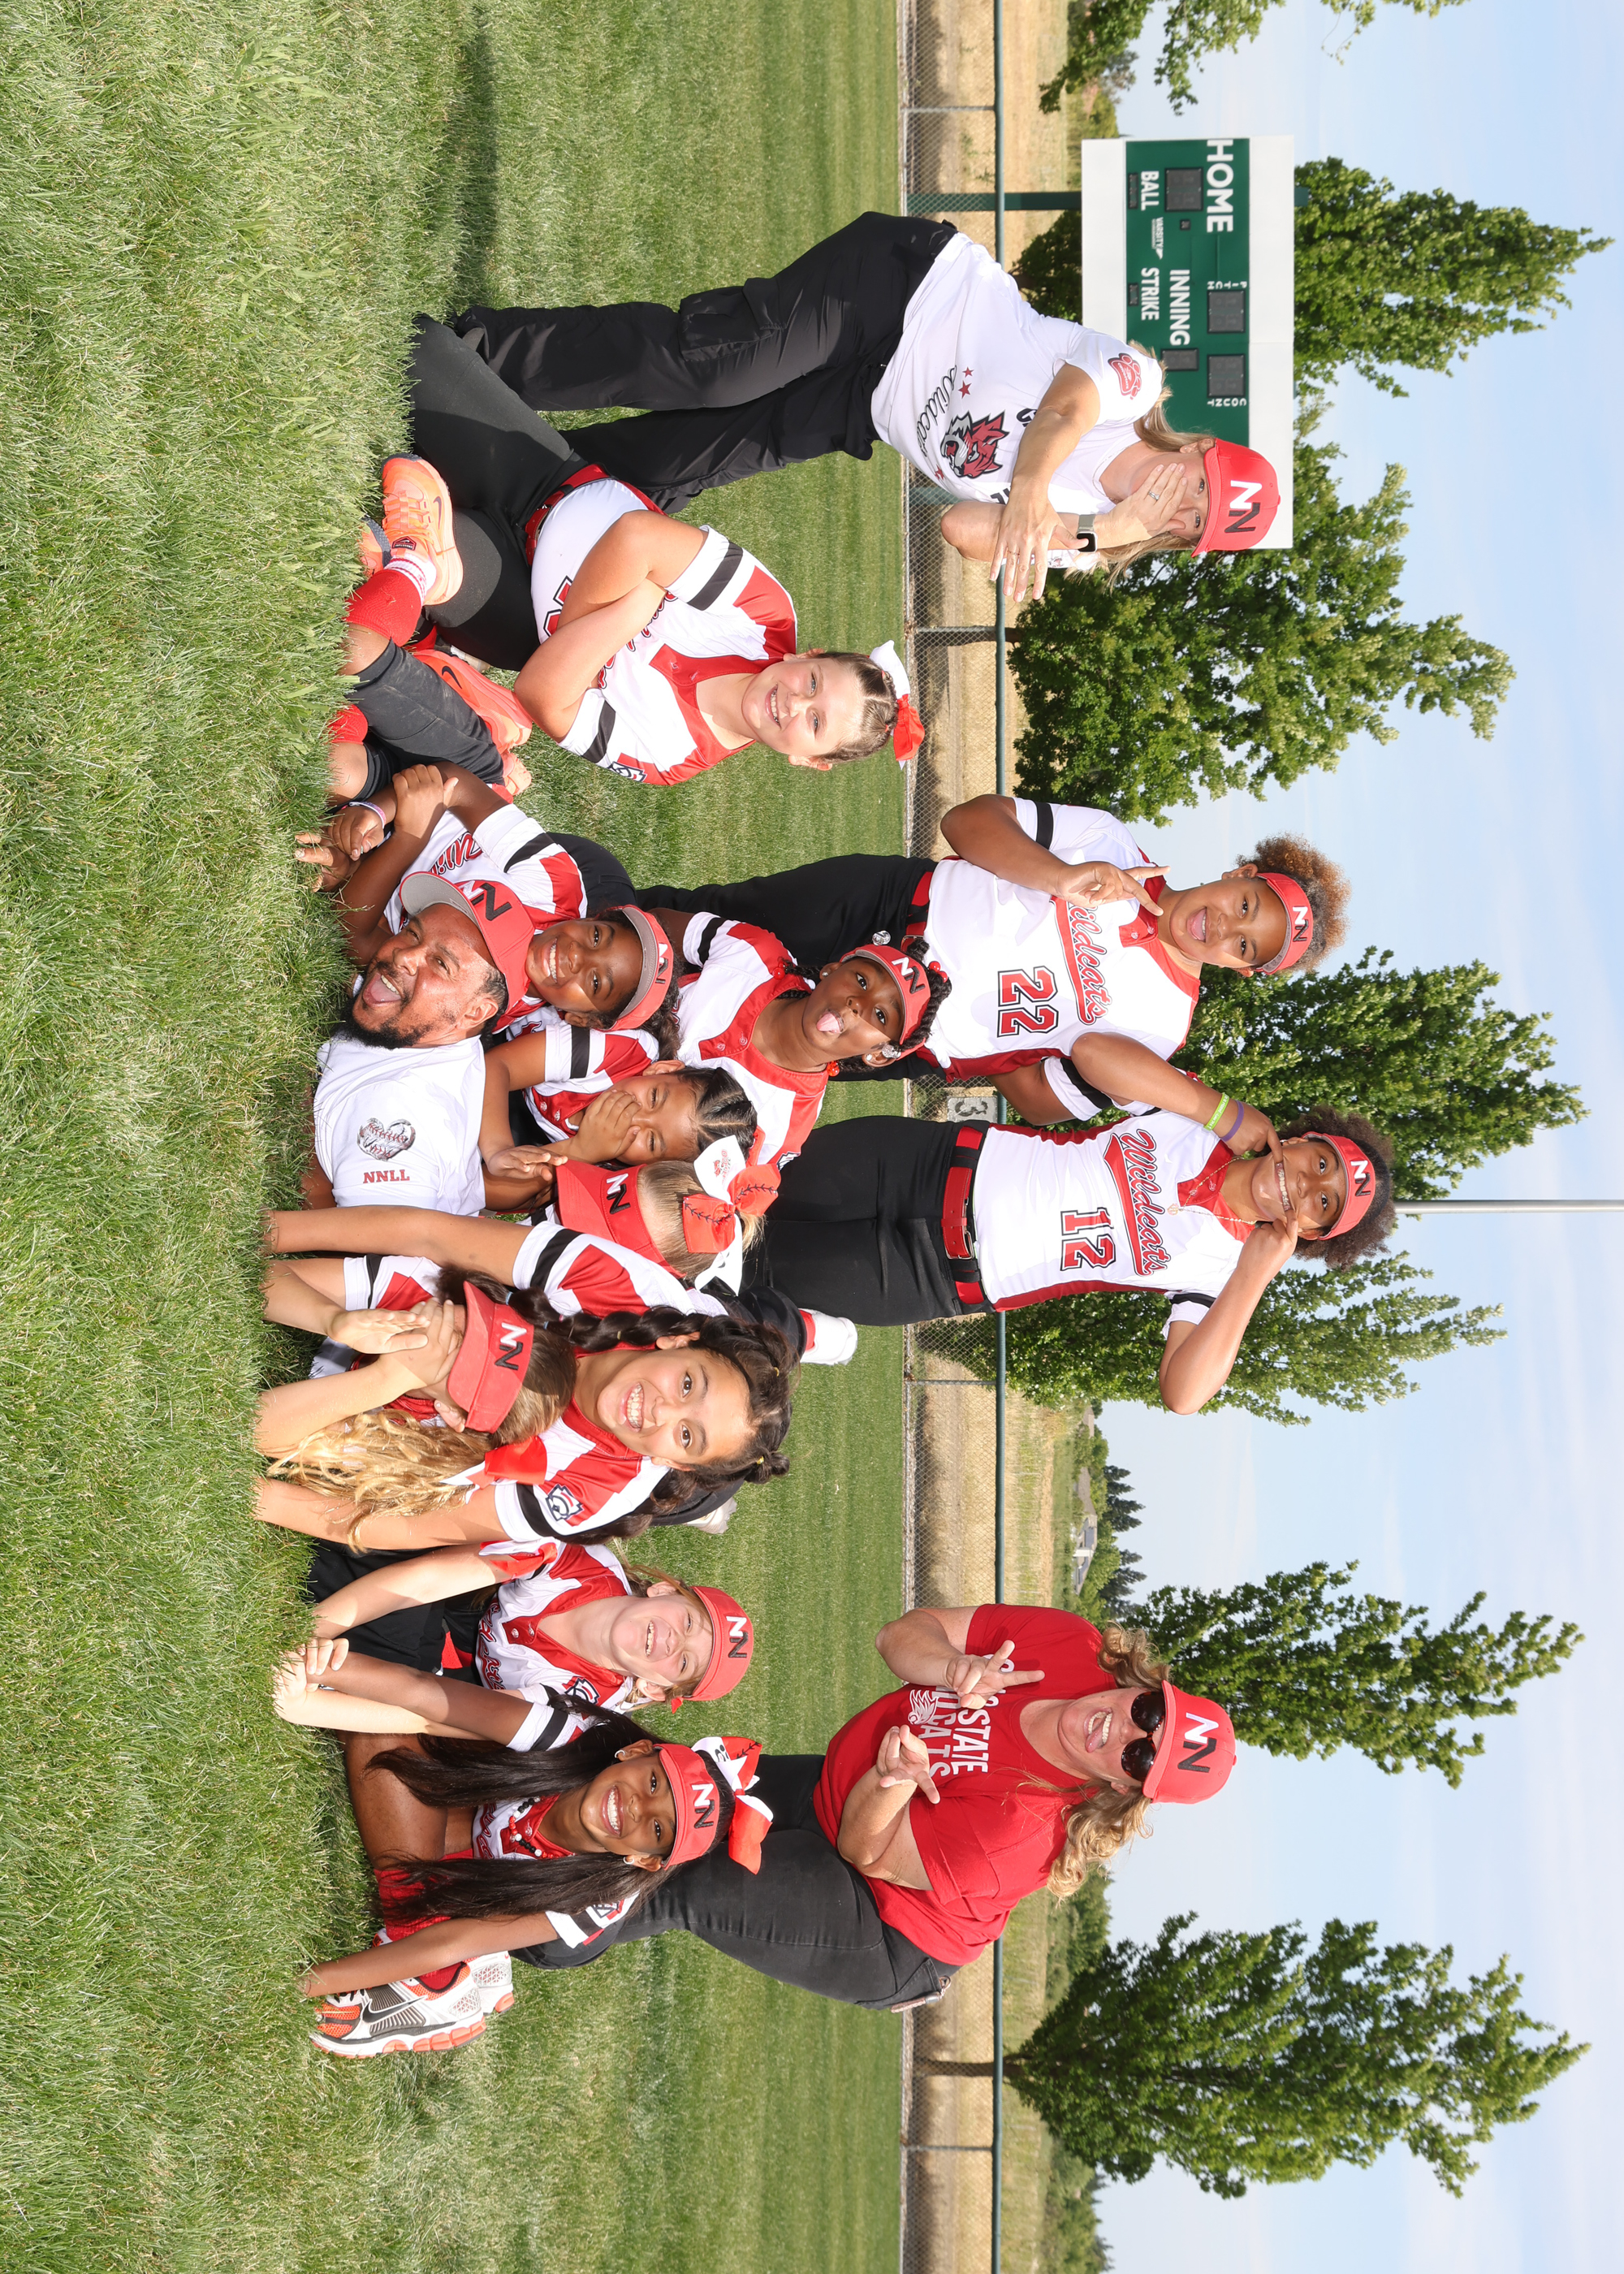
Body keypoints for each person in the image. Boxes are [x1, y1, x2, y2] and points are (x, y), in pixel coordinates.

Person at [447, 212, 1281, 598]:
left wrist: (1104, 532)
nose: (1183, 510)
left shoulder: (1082, 537)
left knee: (676, 467)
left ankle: (496, 472)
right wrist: (1032, 492)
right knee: (712, 372)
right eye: (1202, 490)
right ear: (1197, 450)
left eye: (1195, 525)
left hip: (869, 404)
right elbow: (1065, 408)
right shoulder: (1138, 384)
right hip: (902, 292)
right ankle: (477, 350)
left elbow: (965, 530)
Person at [478, 1600, 1233, 2010]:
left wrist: (893, 1780)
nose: (1123, 1732)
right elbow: (901, 1634)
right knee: (678, 1788)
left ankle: (499, 1939)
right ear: (1144, 1686)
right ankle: (510, 1791)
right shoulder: (1069, 1647)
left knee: (689, 1881)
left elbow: (863, 1850)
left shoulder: (1022, 1832)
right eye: (1148, 1714)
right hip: (835, 1788)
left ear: (1123, 1789)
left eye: (1140, 1757)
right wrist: (954, 1667)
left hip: (889, 1921)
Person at [638, 796, 1348, 1144]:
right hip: (886, 907)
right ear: (1241, 873)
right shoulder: (1110, 842)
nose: (1225, 927)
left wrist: (993, 1050)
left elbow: (1041, 1100)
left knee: (712, 1087)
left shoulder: (1161, 1031)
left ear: (1243, 970)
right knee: (691, 926)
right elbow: (966, 822)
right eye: (1246, 905)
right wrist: (1060, 877)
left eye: (1246, 946)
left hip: (900, 1031)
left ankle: (594, 1085)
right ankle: (576, 922)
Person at [378, 322, 916, 779]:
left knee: (382, 542)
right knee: (413, 348)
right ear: (808, 656)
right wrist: (583, 650)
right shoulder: (767, 616)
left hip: (514, 612)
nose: (795, 703)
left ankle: (426, 581)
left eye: (816, 723)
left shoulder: (676, 758)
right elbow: (636, 536)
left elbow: (540, 694)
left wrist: (636, 605)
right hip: (547, 483)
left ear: (809, 760)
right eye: (813, 683)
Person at [741, 1105, 1397, 1411]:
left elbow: (1184, 1394)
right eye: (1320, 1162)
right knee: (744, 1180)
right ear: (1305, 1139)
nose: (1306, 1184)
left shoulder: (1222, 1273)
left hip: (929, 1274)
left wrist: (1254, 1274)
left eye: (1324, 1203)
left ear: (1316, 1234)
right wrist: (1217, 1108)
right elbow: (1094, 1056)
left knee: (739, 1272)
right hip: (925, 1163)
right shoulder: (1203, 1121)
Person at [273, 1666, 771, 2056]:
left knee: (387, 1774)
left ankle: (436, 1987)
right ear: (637, 1751)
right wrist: (319, 1667)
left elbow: (449, 1940)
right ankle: (477, 1961)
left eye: (658, 1830)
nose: (639, 1807)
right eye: (655, 1783)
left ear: (644, 1860)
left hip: (544, 1921)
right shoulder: (577, 1735)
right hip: (482, 1831)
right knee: (378, 1730)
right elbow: (425, 1696)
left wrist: (300, 1984)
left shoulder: (597, 1902)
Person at [256, 1209, 797, 1553]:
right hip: (458, 1328)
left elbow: (403, 1524)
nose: (662, 1410)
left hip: (433, 1422)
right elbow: (431, 1234)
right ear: (680, 1342)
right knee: (416, 1284)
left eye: (687, 1435)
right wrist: (269, 1231)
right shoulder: (631, 1287)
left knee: (403, 1463)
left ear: (671, 1463)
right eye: (688, 1386)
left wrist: (257, 1495)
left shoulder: (595, 1489)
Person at [644, 916, 950, 1168]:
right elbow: (652, 930)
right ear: (831, 970)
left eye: (881, 1016)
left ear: (880, 1055)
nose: (858, 1003)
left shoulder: (784, 1127)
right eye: (861, 980)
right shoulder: (756, 953)